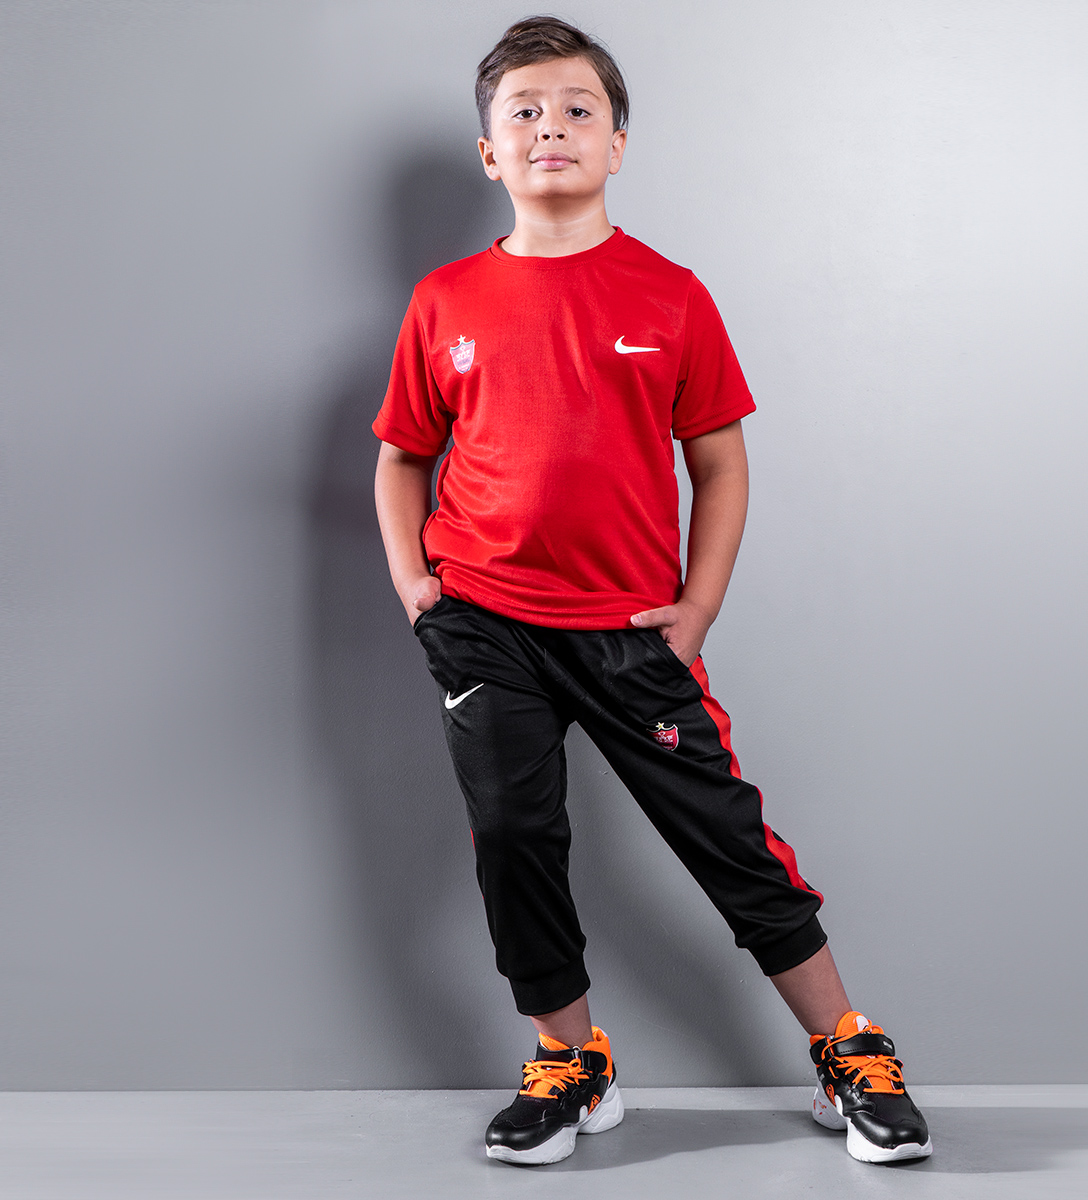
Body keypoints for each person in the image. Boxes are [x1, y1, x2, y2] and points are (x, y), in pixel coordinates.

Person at [373, 15, 931, 1168]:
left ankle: (849, 1047)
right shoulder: (445, 302)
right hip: (484, 624)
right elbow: (402, 456)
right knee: (514, 837)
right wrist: (418, 584)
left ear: (618, 143)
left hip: (630, 631)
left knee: (727, 840)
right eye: (524, 111)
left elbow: (720, 463)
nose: (552, 127)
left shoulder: (670, 295)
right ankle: (570, 1059)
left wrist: (699, 604)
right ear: (489, 152)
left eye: (579, 109)